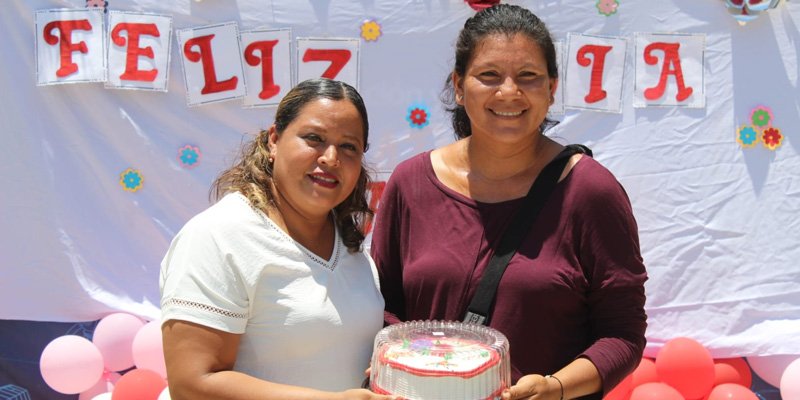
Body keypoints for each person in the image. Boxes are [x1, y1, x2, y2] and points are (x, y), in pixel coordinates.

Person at [370, 4, 647, 400]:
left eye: (528, 77)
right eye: (489, 75)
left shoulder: (590, 191)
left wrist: (556, 387)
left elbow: (622, 334)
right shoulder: (410, 183)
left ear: (551, 88)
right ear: (460, 85)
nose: (509, 92)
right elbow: (384, 311)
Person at [160, 78, 398, 400]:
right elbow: (192, 386)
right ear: (274, 140)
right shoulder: (218, 236)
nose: (331, 158)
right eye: (314, 138)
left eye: (348, 146)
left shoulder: (352, 246)